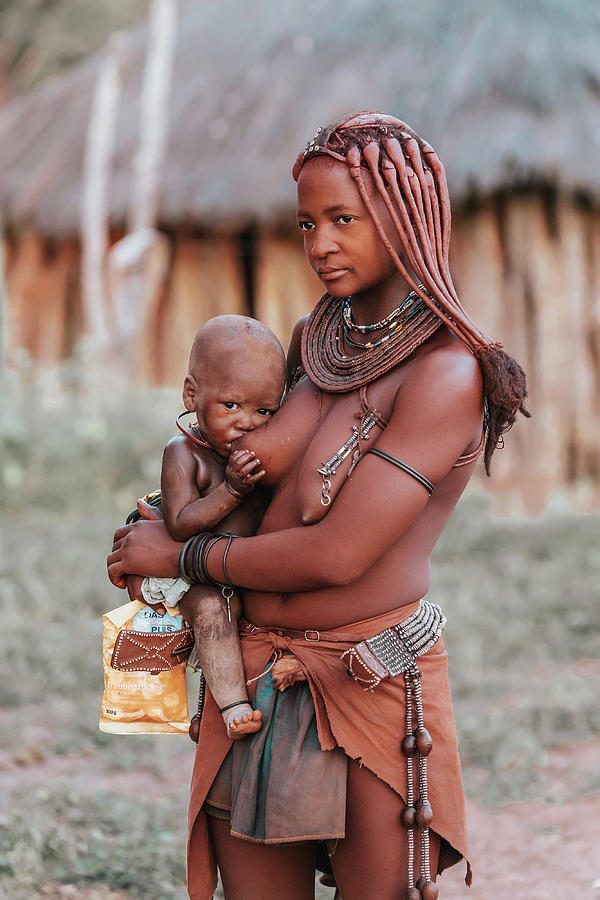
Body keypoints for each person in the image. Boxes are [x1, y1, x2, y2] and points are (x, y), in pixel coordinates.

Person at [108, 112, 528, 900]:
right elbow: (255, 478)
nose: (321, 243)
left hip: (368, 680)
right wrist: (166, 513)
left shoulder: (445, 374)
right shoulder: (314, 344)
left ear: (405, 219)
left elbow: (339, 553)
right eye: (307, 222)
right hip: (256, 677)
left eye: (344, 219)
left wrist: (181, 555)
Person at [132, 314, 287, 740]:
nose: (247, 422)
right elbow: (181, 525)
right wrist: (232, 492)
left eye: (265, 410)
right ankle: (233, 705)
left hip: (238, 568)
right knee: (211, 609)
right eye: (231, 405)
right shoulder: (184, 454)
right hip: (190, 574)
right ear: (191, 395)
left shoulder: (258, 454)